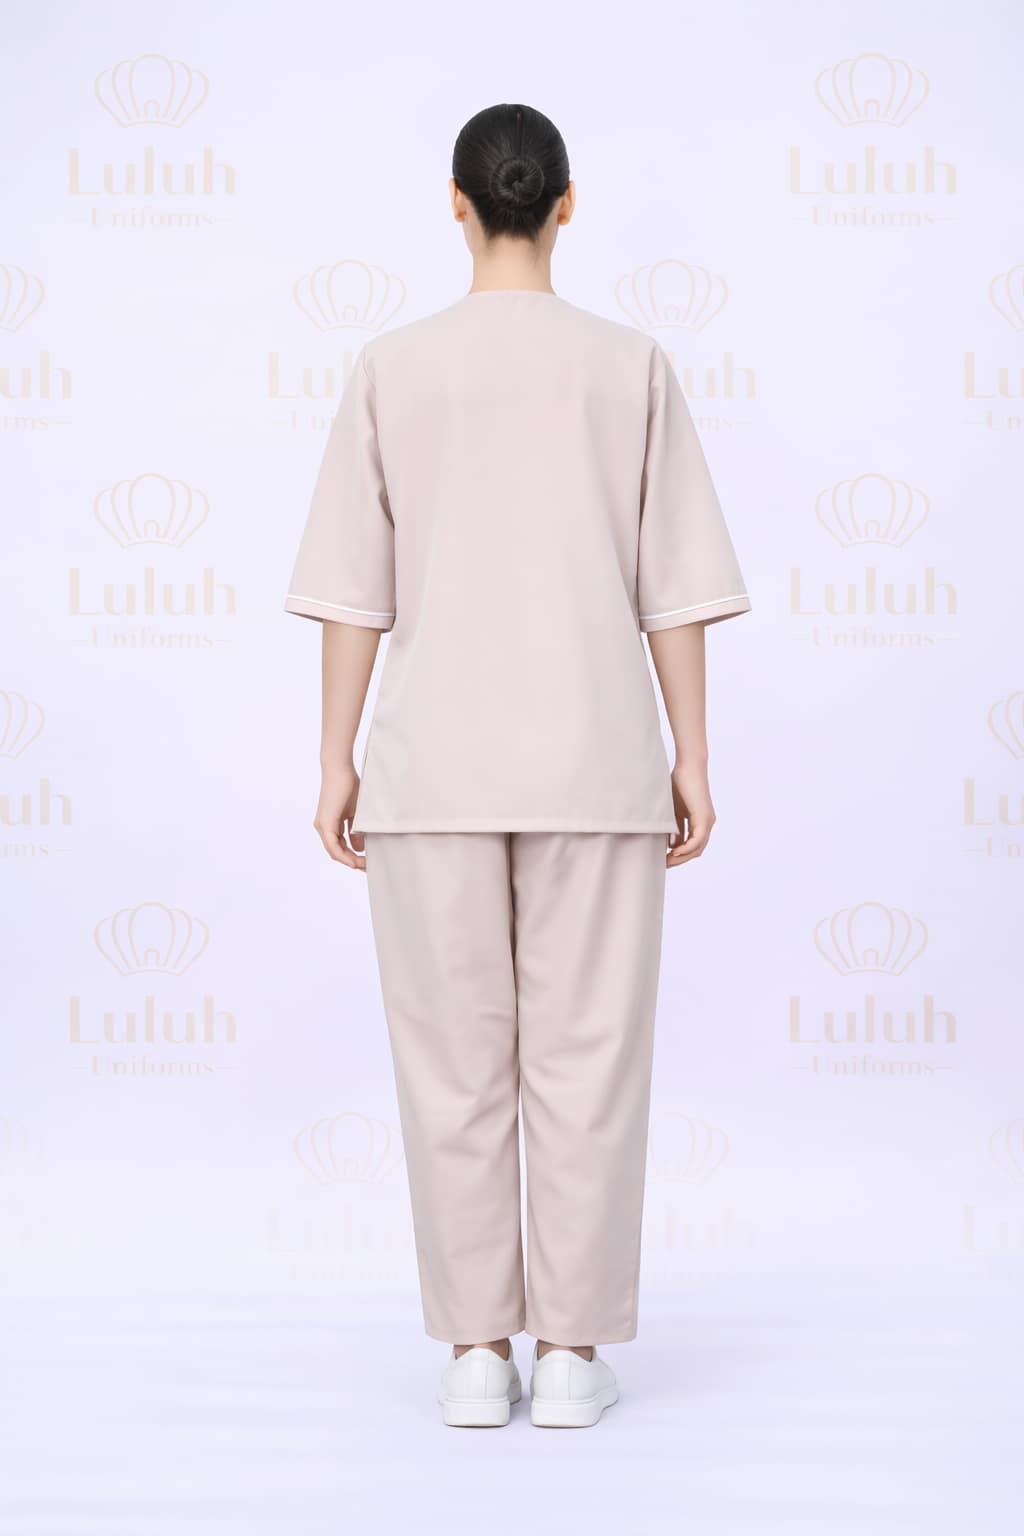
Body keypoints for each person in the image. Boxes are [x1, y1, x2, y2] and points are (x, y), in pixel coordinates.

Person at [284, 102, 752, 1428]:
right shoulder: (630, 366)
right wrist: (693, 754)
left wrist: (334, 759)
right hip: (597, 759)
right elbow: (674, 589)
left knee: (451, 1064)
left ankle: (477, 1353)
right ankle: (571, 1357)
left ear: (455, 203)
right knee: (589, 1062)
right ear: (563, 203)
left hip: (428, 766)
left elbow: (352, 593)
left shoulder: (392, 368)